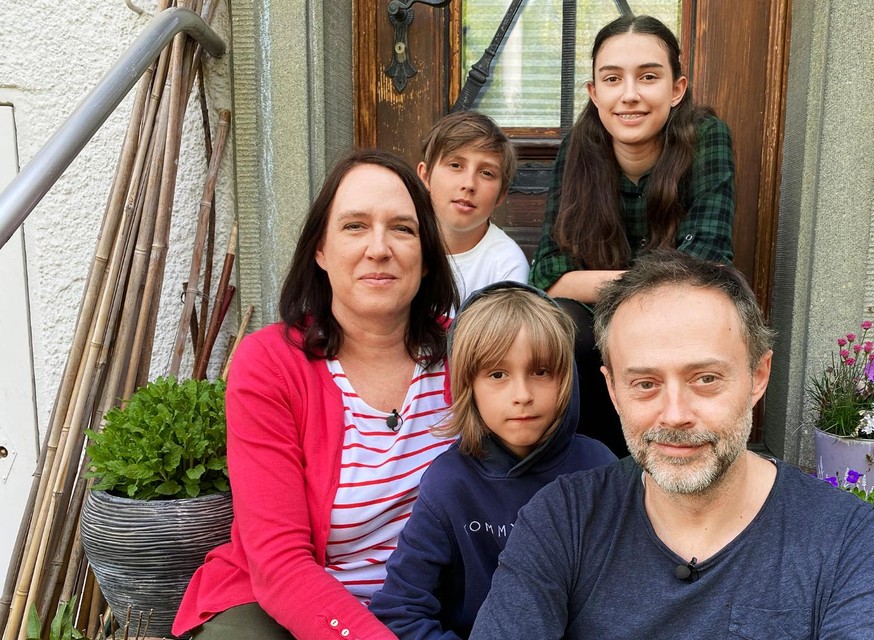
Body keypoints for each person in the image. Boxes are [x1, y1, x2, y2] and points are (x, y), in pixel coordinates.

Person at [471, 251, 874, 639]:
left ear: (758, 376)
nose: (675, 414)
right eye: (645, 383)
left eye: (705, 379)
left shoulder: (844, 540)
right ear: (613, 391)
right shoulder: (562, 521)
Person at [173, 150, 459, 640]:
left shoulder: (466, 352)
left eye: (402, 229)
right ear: (320, 251)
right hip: (291, 606)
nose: (379, 248)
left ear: (427, 255)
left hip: (425, 606)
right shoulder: (270, 365)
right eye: (354, 226)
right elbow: (279, 561)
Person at [528, 15, 736, 457]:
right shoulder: (578, 148)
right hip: (596, 331)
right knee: (564, 325)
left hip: (683, 318)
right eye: (612, 79)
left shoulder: (706, 138)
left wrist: (600, 283)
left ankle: (672, 458)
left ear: (676, 89)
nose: (629, 95)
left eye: (648, 77)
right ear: (594, 92)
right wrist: (654, 279)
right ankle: (592, 465)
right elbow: (549, 275)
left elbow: (706, 263)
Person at [368, 281, 615, 639]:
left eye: (540, 371)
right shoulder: (448, 483)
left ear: (567, 377)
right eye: (498, 374)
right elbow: (400, 610)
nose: (522, 395)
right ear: (468, 386)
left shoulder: (601, 470)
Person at [418, 111, 529, 305]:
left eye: (486, 173)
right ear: (426, 176)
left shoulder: (507, 266)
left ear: (501, 195)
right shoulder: (401, 242)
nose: (469, 184)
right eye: (455, 165)